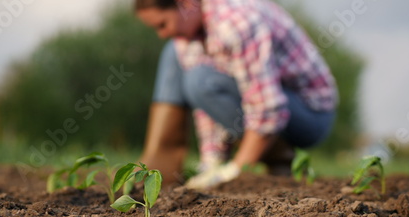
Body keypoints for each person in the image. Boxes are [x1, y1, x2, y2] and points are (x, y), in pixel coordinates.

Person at [135, 0, 337, 190]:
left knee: (200, 79)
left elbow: (267, 106)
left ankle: (279, 158)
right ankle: (269, 155)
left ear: (185, 4)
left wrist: (235, 170)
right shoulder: (191, 33)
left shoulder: (236, 23)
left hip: (310, 114)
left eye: (162, 24)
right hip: (273, 103)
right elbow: (207, 106)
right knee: (187, 66)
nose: (161, 34)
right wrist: (212, 162)